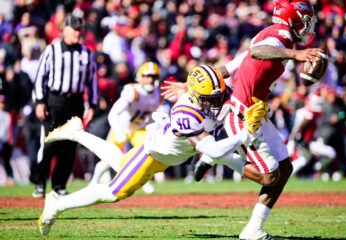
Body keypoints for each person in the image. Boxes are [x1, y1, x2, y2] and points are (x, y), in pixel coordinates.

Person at [37, 65, 268, 236]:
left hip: (169, 155)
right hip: (154, 153)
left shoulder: (212, 93)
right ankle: (57, 204)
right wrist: (243, 135)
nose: (218, 100)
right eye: (212, 98)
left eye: (218, 95)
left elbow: (240, 78)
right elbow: (213, 150)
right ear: (196, 95)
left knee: (120, 163)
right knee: (115, 192)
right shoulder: (187, 114)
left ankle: (77, 133)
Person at [162, 1, 324, 239]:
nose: (309, 27)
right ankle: (220, 154)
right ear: (294, 19)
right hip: (243, 113)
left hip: (256, 110)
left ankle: (253, 229)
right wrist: (296, 54)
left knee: (286, 168)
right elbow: (258, 52)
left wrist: (187, 85)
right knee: (270, 176)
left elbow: (230, 67)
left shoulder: (275, 36)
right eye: (307, 21)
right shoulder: (278, 35)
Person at [30, 14, 98, 198]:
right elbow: (40, 78)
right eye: (75, 29)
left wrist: (91, 105)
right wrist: (40, 102)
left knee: (69, 147)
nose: (78, 33)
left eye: (80, 30)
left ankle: (59, 185)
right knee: (50, 143)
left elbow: (92, 81)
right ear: (65, 30)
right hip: (54, 101)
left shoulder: (87, 53)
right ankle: (40, 182)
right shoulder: (52, 50)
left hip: (75, 102)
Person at [90, 61, 163, 194]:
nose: (150, 80)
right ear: (139, 77)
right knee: (107, 158)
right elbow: (113, 113)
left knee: (148, 154)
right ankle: (93, 182)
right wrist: (118, 131)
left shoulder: (158, 94)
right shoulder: (132, 91)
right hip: (123, 127)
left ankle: (145, 181)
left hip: (139, 129)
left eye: (153, 77)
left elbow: (154, 115)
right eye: (147, 76)